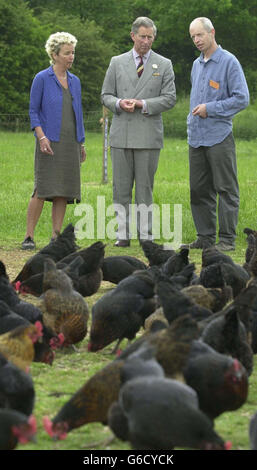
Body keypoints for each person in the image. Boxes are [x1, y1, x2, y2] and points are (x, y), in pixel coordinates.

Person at [101, 17, 176, 247]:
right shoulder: (116, 62)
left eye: (150, 37)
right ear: (133, 36)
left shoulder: (164, 64)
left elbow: (170, 98)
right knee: (121, 188)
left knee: (144, 189)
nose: (146, 41)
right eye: (142, 36)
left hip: (148, 136)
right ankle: (122, 235)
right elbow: (106, 95)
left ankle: (146, 236)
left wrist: (143, 104)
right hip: (121, 134)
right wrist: (119, 102)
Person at [187, 17, 249, 251]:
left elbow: (242, 98)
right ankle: (204, 238)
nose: (196, 40)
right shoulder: (196, 64)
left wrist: (210, 109)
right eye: (193, 36)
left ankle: (226, 240)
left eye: (200, 35)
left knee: (225, 189)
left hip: (219, 136)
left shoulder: (229, 62)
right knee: (198, 189)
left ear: (212, 32)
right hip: (196, 137)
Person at [22, 32, 86, 250]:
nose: (71, 57)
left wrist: (82, 142)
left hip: (71, 143)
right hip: (48, 141)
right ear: (54, 54)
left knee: (64, 191)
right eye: (67, 53)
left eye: (73, 53)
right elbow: (33, 111)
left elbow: (77, 112)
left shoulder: (75, 81)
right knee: (42, 188)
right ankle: (29, 236)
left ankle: (55, 238)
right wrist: (41, 136)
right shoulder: (42, 78)